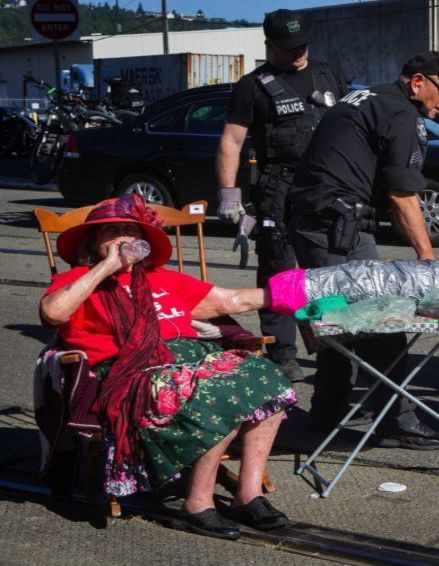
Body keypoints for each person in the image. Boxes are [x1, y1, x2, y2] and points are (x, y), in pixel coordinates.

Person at [38, 195, 296, 541]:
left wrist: (306, 289)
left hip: (189, 360)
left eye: (130, 231)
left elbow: (235, 300)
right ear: (92, 243)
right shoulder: (77, 280)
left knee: (263, 374)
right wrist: (106, 268)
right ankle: (197, 503)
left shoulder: (165, 279)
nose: (123, 238)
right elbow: (53, 314)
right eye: (111, 232)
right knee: (215, 387)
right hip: (129, 373)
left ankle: (249, 494)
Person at [287, 51, 439, 446]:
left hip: (317, 218)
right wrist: (428, 261)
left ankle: (326, 411)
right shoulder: (401, 113)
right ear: (418, 82)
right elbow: (402, 194)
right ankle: (396, 420)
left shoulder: (369, 97)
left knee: (337, 317)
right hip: (338, 224)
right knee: (379, 319)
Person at [216, 9, 346, 382]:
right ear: (269, 45)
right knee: (280, 269)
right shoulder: (251, 86)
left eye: (302, 45)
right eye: (289, 48)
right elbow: (232, 140)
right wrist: (229, 192)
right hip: (280, 185)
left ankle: (331, 351)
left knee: (330, 269)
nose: (298, 53)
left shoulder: (327, 74)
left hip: (327, 184)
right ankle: (281, 352)